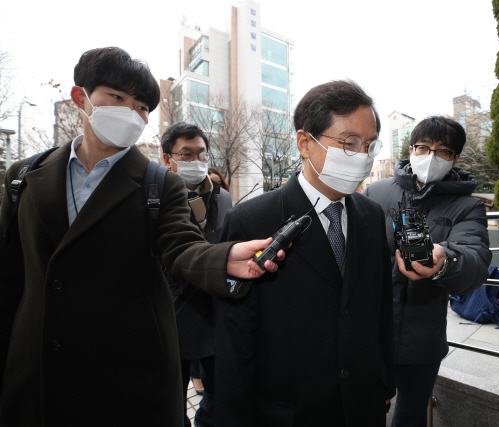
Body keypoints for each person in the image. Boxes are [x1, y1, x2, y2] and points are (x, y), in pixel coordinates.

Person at [0, 47, 284, 427]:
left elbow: (182, 245)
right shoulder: (24, 175)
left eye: (141, 107)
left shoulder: (157, 182)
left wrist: (223, 258)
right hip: (37, 366)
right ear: (80, 98)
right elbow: (9, 272)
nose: (130, 113)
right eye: (117, 97)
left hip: (123, 370)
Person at [214, 80, 395, 427]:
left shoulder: (371, 216)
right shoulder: (252, 220)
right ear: (304, 143)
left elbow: (381, 308)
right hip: (287, 411)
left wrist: (385, 381)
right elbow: (235, 338)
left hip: (362, 405)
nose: (362, 157)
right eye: (349, 143)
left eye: (369, 146)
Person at [364, 116, 491, 427]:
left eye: (443, 151)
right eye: (423, 147)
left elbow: (474, 260)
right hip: (370, 329)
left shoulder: (468, 207)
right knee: (364, 408)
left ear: (456, 157)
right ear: (411, 150)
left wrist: (443, 261)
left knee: (410, 415)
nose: (431, 157)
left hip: (421, 338)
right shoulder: (375, 192)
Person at [160, 122, 233, 427]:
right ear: (168, 159)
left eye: (201, 154)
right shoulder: (155, 198)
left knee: (222, 398)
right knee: (169, 402)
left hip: (215, 312)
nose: (196, 162)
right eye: (186, 155)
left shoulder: (221, 198)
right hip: (171, 313)